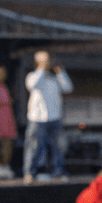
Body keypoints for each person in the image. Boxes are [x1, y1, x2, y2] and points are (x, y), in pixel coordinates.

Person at [24, 51, 72, 181]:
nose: (48, 63)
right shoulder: (32, 76)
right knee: (34, 146)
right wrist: (41, 68)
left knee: (58, 147)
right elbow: (33, 85)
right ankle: (29, 173)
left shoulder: (55, 78)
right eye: (45, 61)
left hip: (55, 117)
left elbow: (68, 87)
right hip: (37, 118)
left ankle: (59, 172)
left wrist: (59, 71)